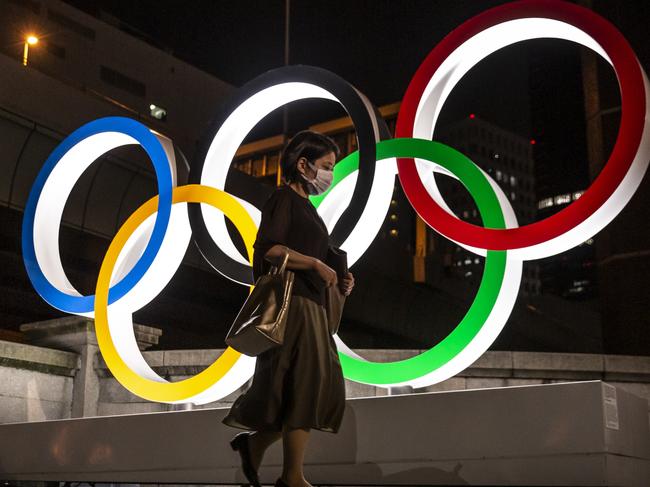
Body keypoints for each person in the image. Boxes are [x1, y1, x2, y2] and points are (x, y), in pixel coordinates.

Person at [222, 130, 355, 487]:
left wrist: (340, 277)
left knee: (307, 386)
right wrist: (313, 264)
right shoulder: (283, 199)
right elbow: (267, 248)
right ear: (303, 164)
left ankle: (260, 450)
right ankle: (291, 474)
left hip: (311, 307)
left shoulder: (308, 209)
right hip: (293, 306)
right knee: (304, 384)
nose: (330, 174)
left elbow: (319, 258)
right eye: (326, 166)